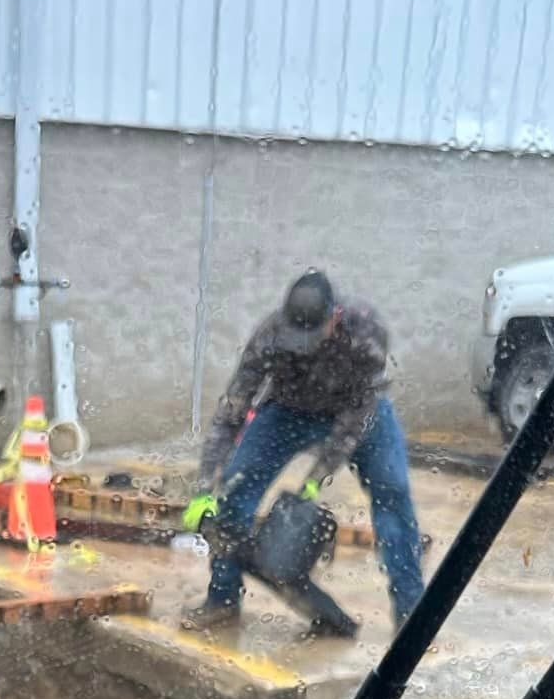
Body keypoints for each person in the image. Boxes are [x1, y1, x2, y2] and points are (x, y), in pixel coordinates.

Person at [181, 270, 425, 633]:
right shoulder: (271, 334)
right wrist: (205, 487)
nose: (303, 345)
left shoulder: (365, 332)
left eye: (313, 334)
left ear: (335, 316)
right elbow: (232, 409)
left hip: (357, 412)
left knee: (392, 494)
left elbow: (355, 422)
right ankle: (222, 599)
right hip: (289, 409)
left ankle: (413, 616)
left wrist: (315, 479)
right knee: (235, 489)